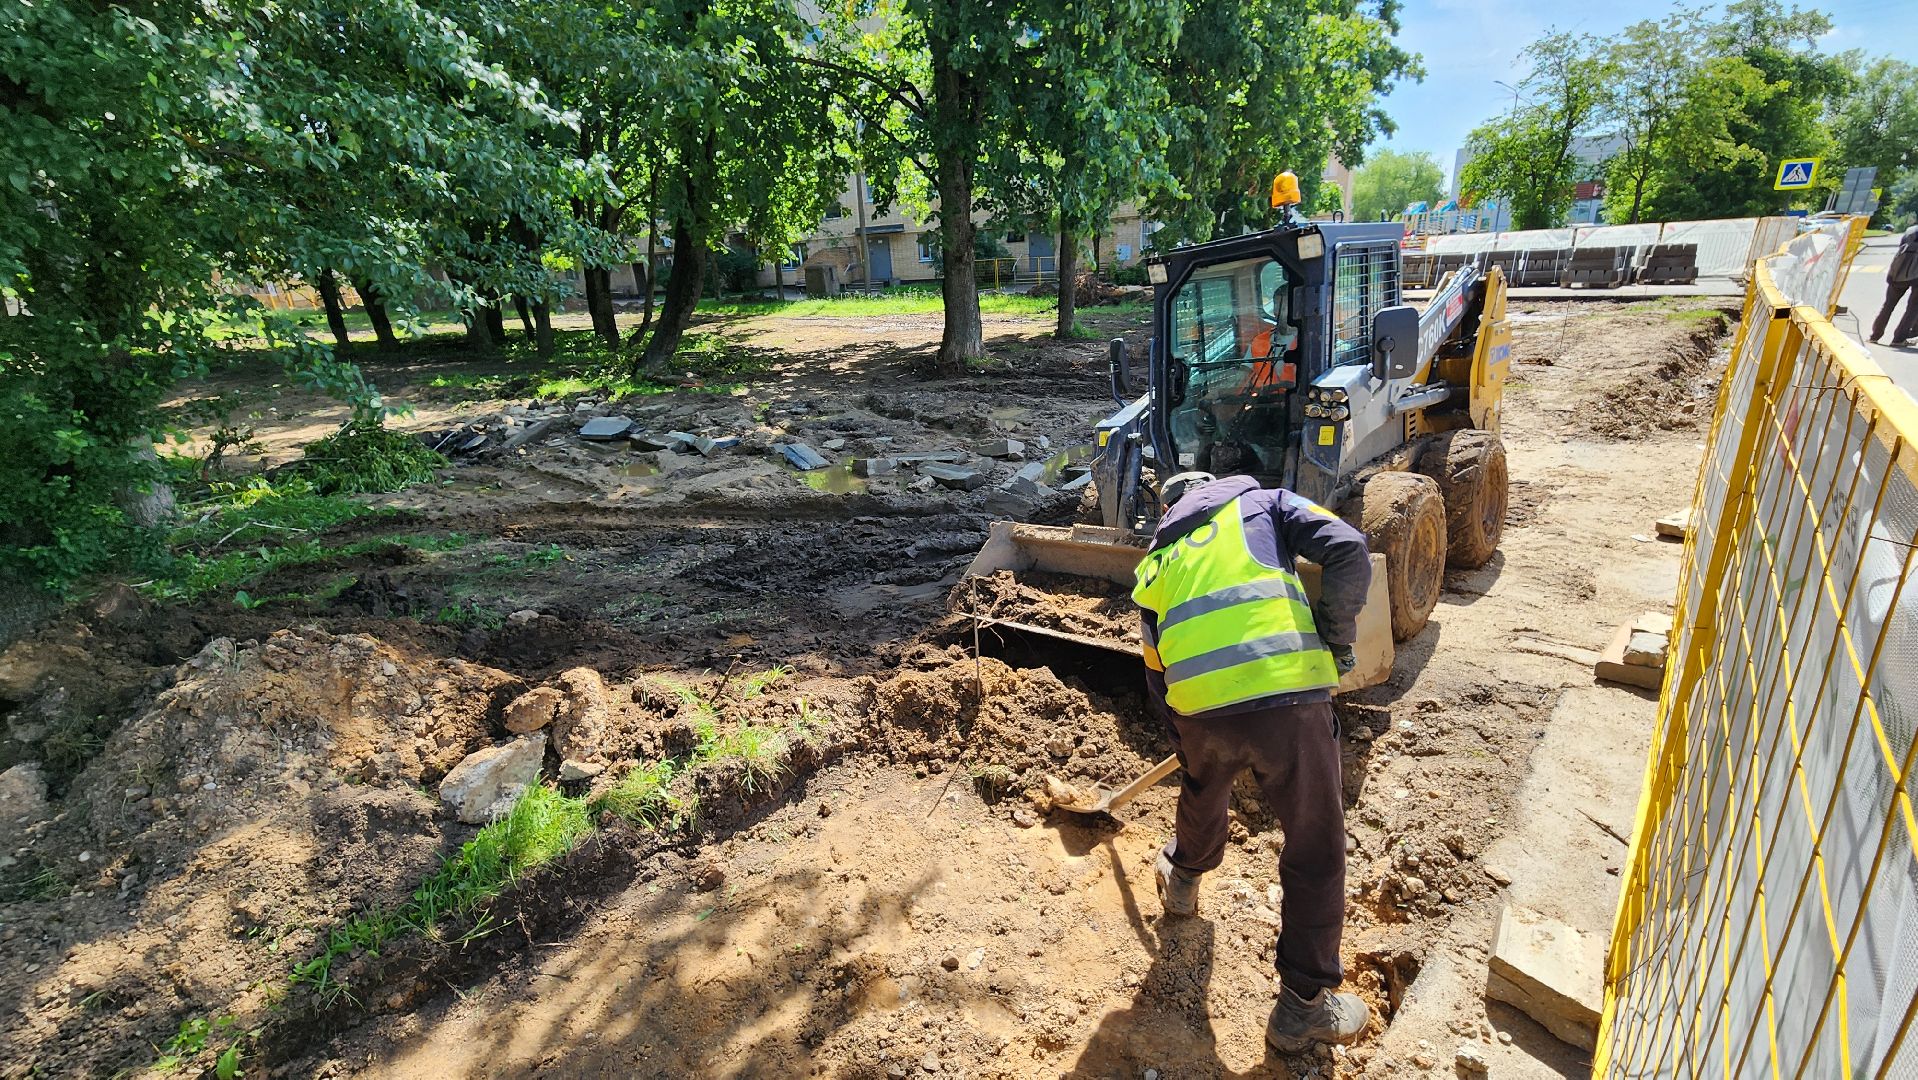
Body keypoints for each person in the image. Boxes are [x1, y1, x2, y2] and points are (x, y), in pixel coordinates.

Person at [1131, 469, 1375, 1054]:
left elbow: (1154, 666)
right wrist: (1336, 638)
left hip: (1199, 710)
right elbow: (1348, 547)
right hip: (1287, 697)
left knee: (1201, 792)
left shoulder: (1154, 566)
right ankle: (1302, 1008)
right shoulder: (1264, 504)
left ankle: (1184, 880)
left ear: (1171, 508)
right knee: (1314, 846)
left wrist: (1184, 738)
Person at [1871, 224, 1918, 346]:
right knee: (1913, 308)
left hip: (1899, 271)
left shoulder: (1910, 231)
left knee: (1888, 304)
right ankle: (1898, 339)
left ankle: (1875, 335)